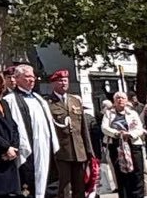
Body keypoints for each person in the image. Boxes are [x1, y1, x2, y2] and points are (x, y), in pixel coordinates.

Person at [2, 64, 56, 198]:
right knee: (27, 185)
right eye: (27, 77)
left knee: (46, 181)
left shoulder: (39, 99)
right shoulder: (10, 100)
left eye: (33, 77)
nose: (31, 80)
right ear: (17, 78)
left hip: (44, 147)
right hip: (27, 149)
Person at [43, 70, 93, 198]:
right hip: (61, 152)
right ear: (53, 84)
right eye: (60, 81)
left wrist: (89, 151)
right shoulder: (47, 103)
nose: (63, 83)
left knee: (80, 186)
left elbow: (83, 129)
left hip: (79, 151)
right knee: (63, 188)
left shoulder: (75, 101)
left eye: (65, 80)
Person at [101, 92, 146, 198]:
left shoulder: (132, 113)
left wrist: (130, 134)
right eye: (117, 98)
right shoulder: (108, 114)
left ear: (126, 101)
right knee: (121, 175)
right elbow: (104, 128)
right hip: (116, 146)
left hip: (133, 145)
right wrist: (117, 133)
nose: (120, 100)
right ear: (114, 101)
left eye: (122, 98)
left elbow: (140, 129)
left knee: (137, 174)